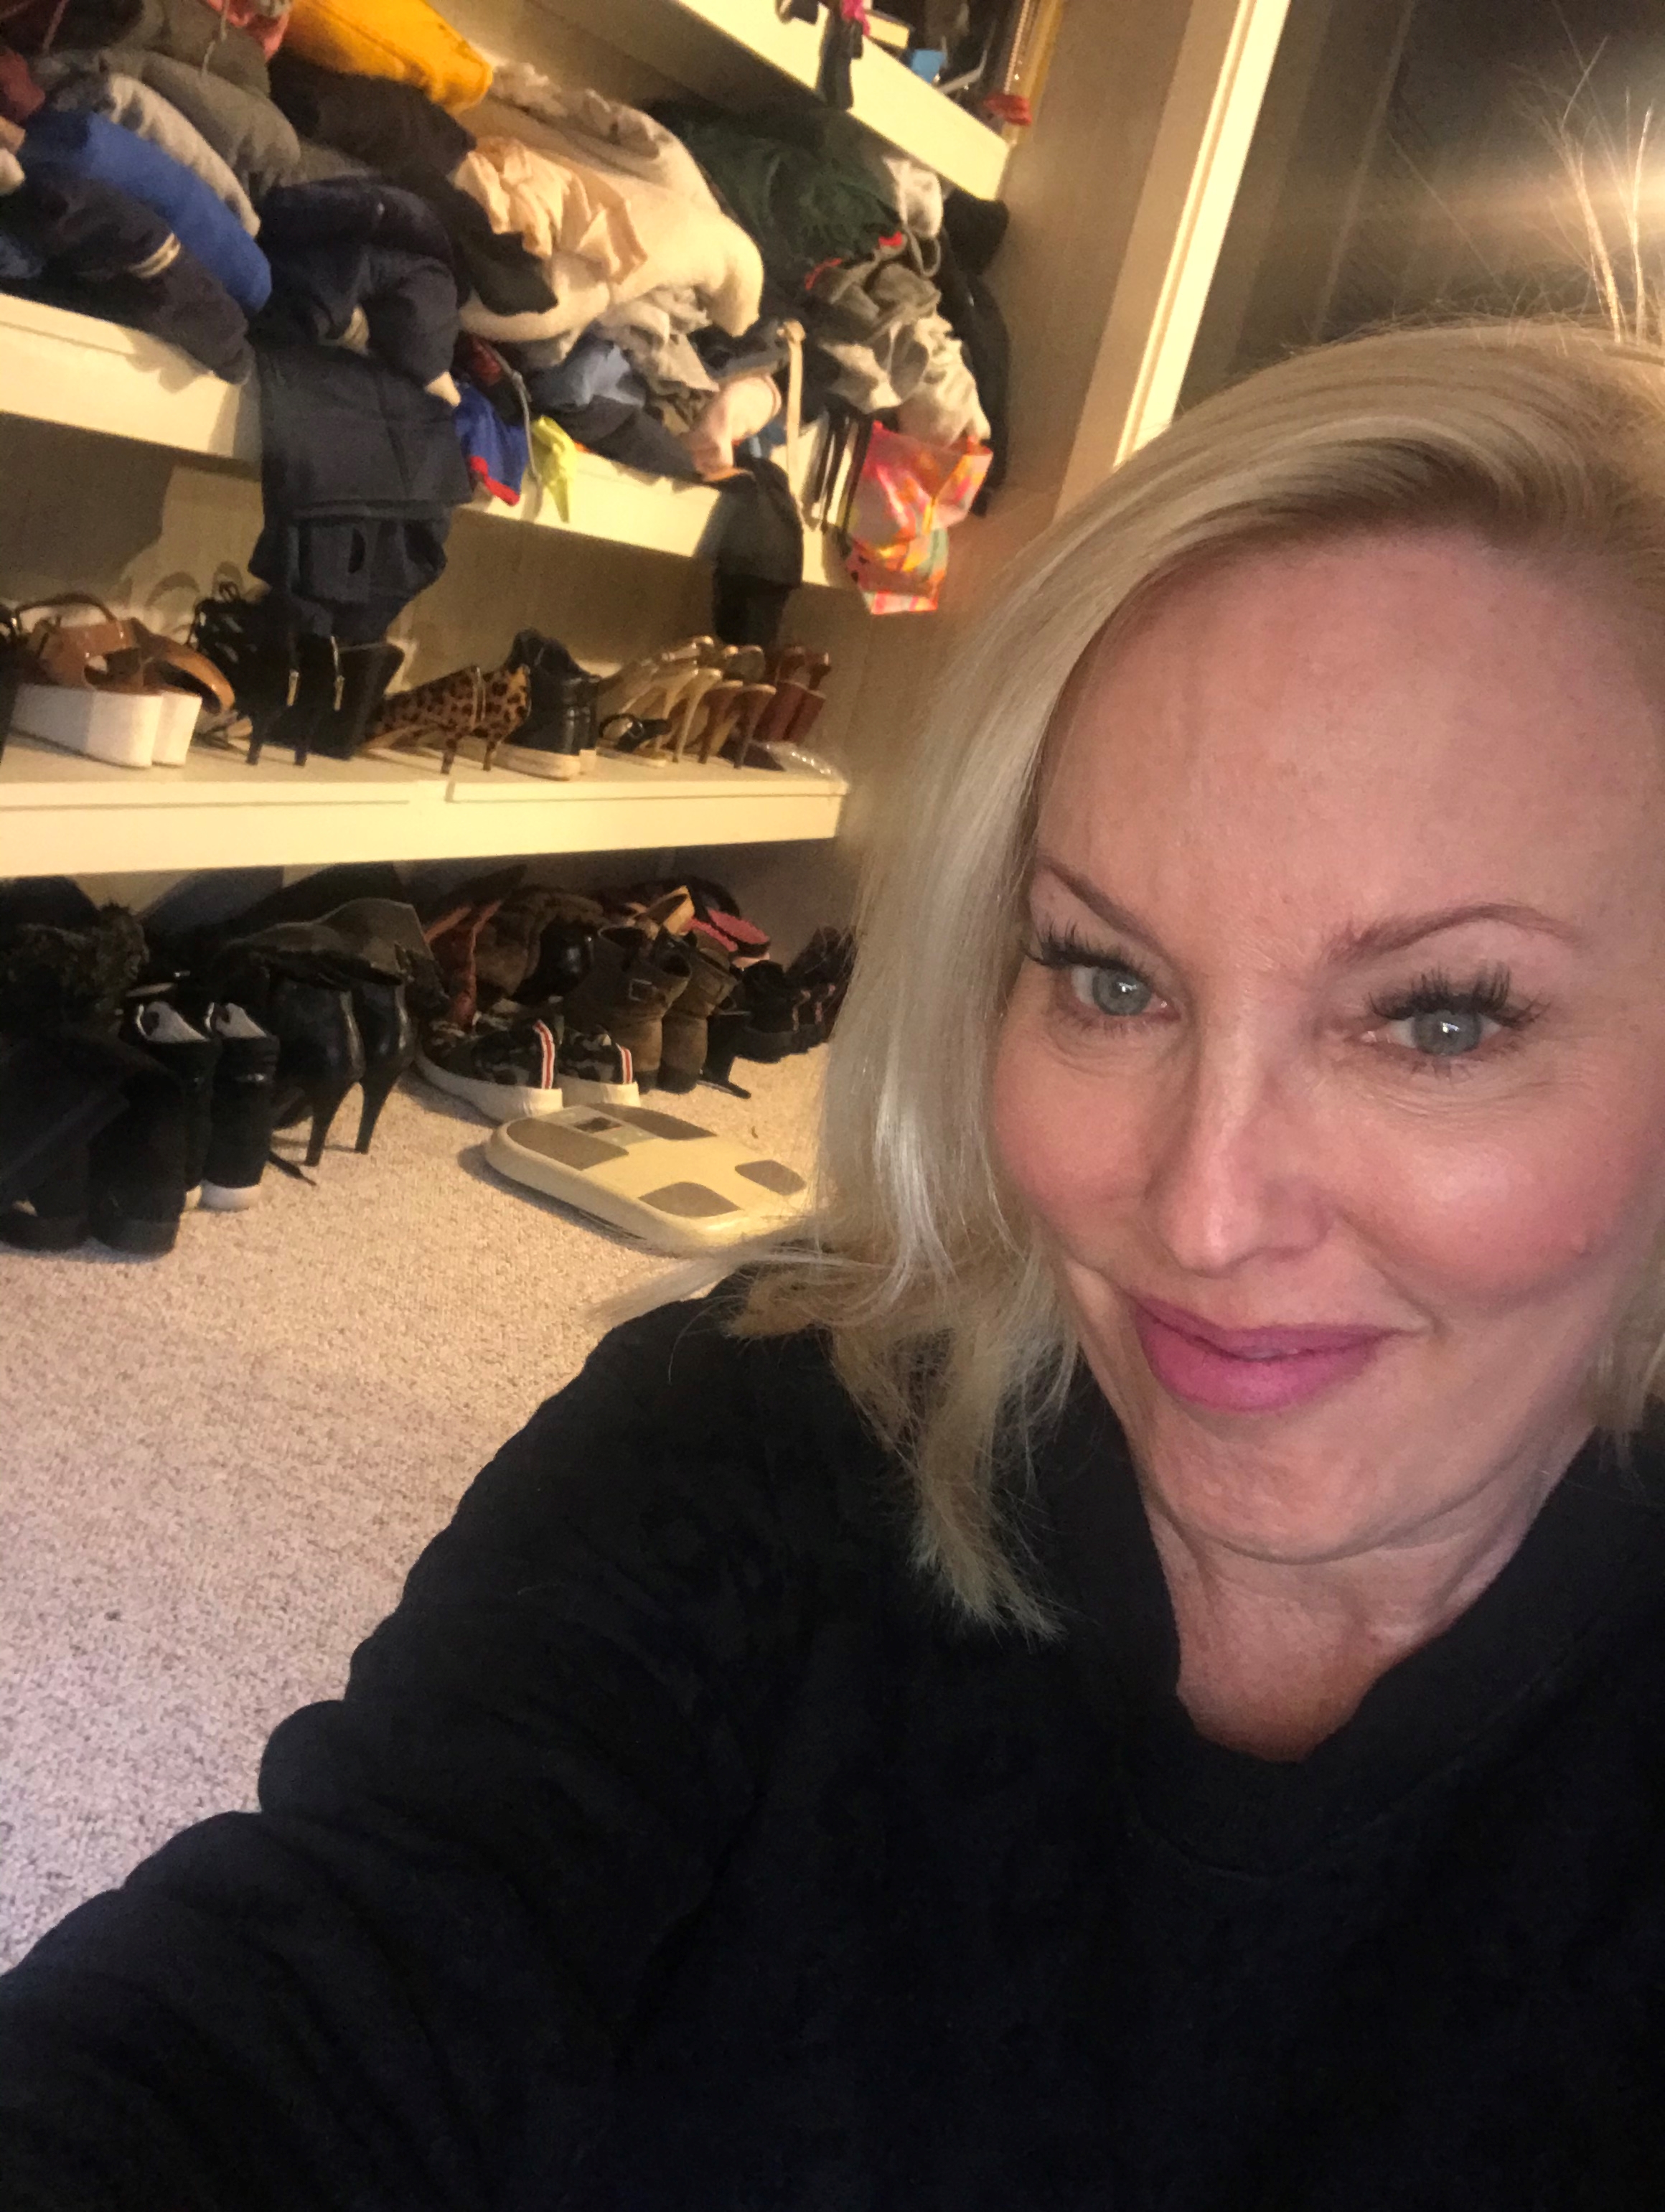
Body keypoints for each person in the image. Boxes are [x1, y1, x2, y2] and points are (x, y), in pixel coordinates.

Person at [9, 319, 1665, 2208]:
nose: (1203, 1213)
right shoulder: (755, 1444)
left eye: (1444, 1017)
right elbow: (312, 1991)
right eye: (1110, 977)